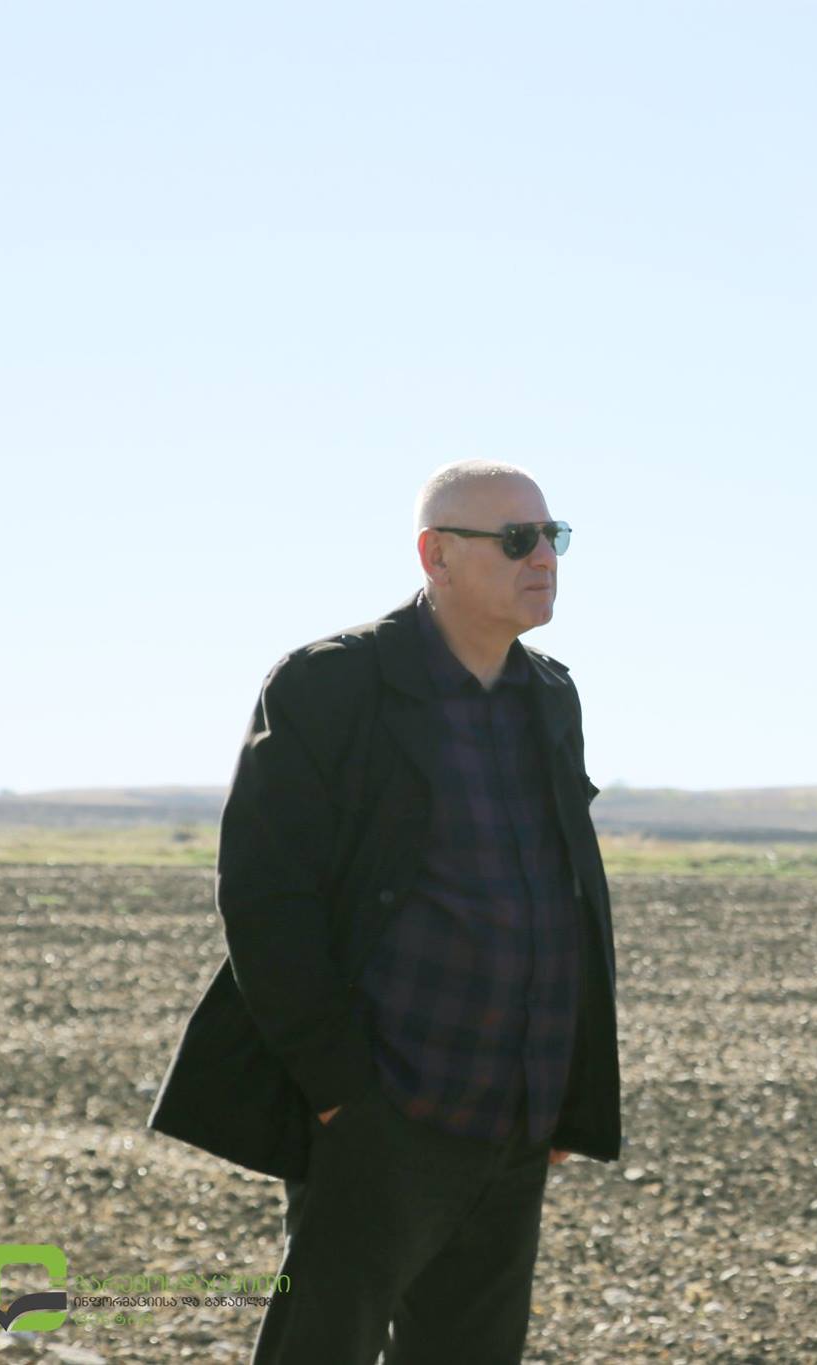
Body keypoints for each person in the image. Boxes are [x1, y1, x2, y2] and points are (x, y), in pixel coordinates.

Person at [146, 460, 622, 1365]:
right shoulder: (331, 684)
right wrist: (341, 1095)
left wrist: (564, 1091)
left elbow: (565, 895)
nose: (544, 558)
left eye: (552, 536)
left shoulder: (550, 696)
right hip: (385, 1109)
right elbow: (264, 896)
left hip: (515, 1116)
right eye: (516, 539)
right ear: (436, 555)